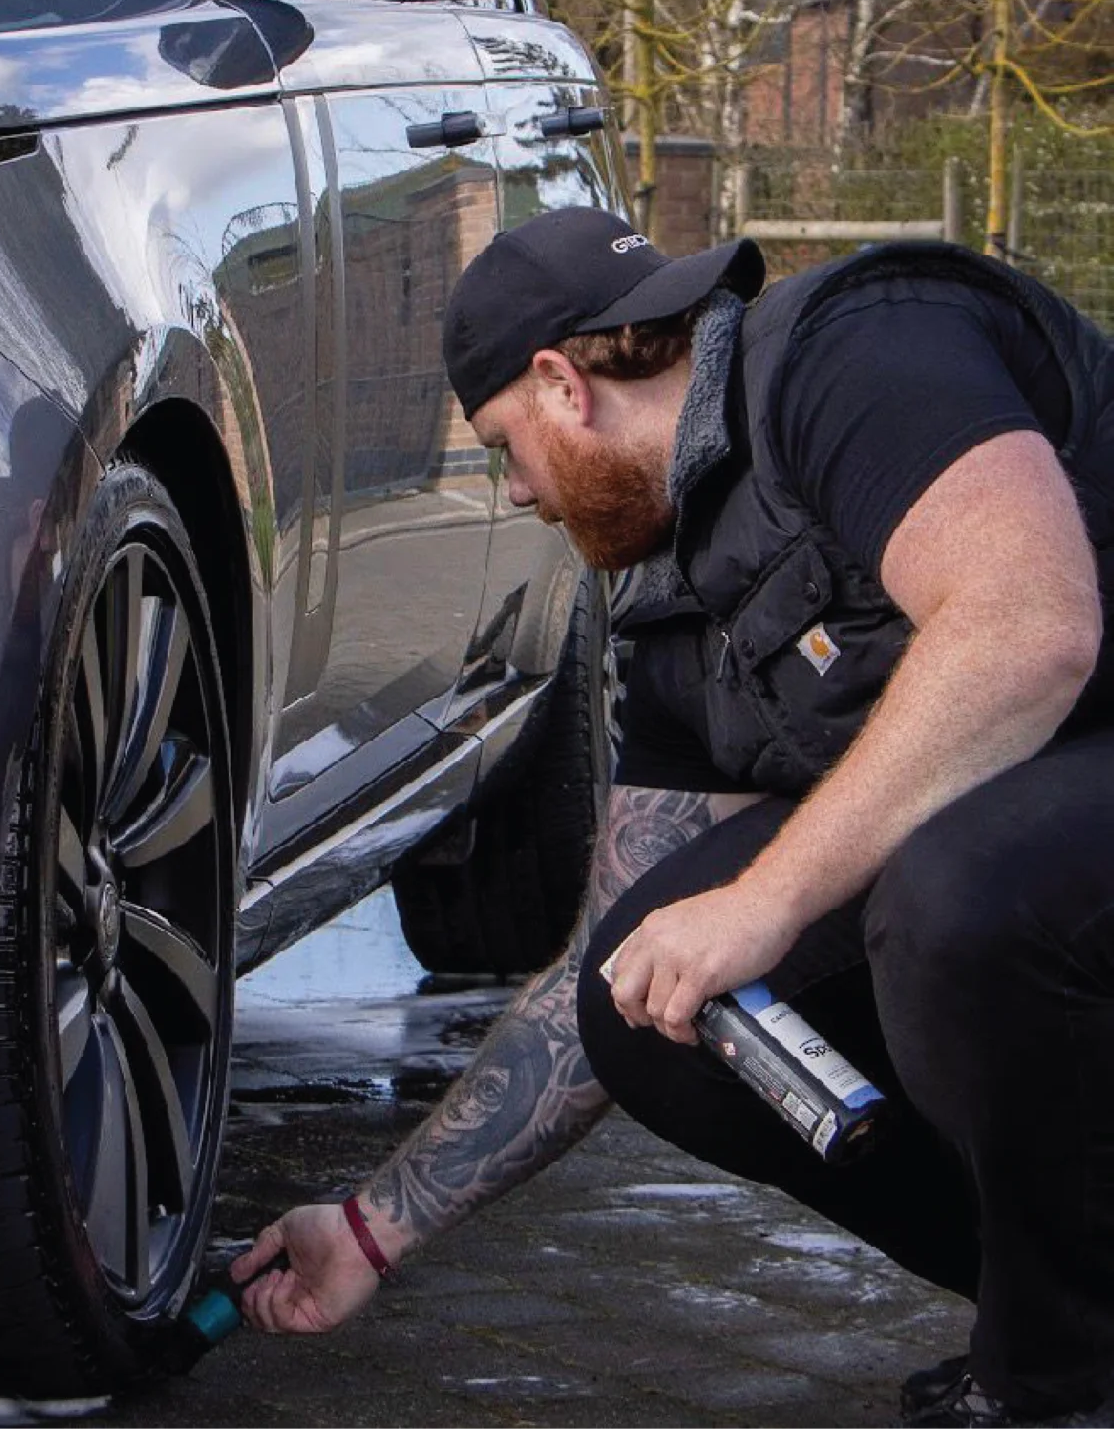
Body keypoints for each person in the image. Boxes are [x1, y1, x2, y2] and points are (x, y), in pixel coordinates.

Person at [233, 204, 1114, 1428]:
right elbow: (603, 969)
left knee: (950, 898)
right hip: (1045, 851)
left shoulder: (850, 353)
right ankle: (1073, 1314)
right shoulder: (676, 605)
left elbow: (1025, 624)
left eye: (503, 448)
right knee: (638, 996)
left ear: (561, 383)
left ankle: (1052, 1382)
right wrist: (373, 1230)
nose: (519, 493)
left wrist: (767, 898)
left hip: (1059, 810)